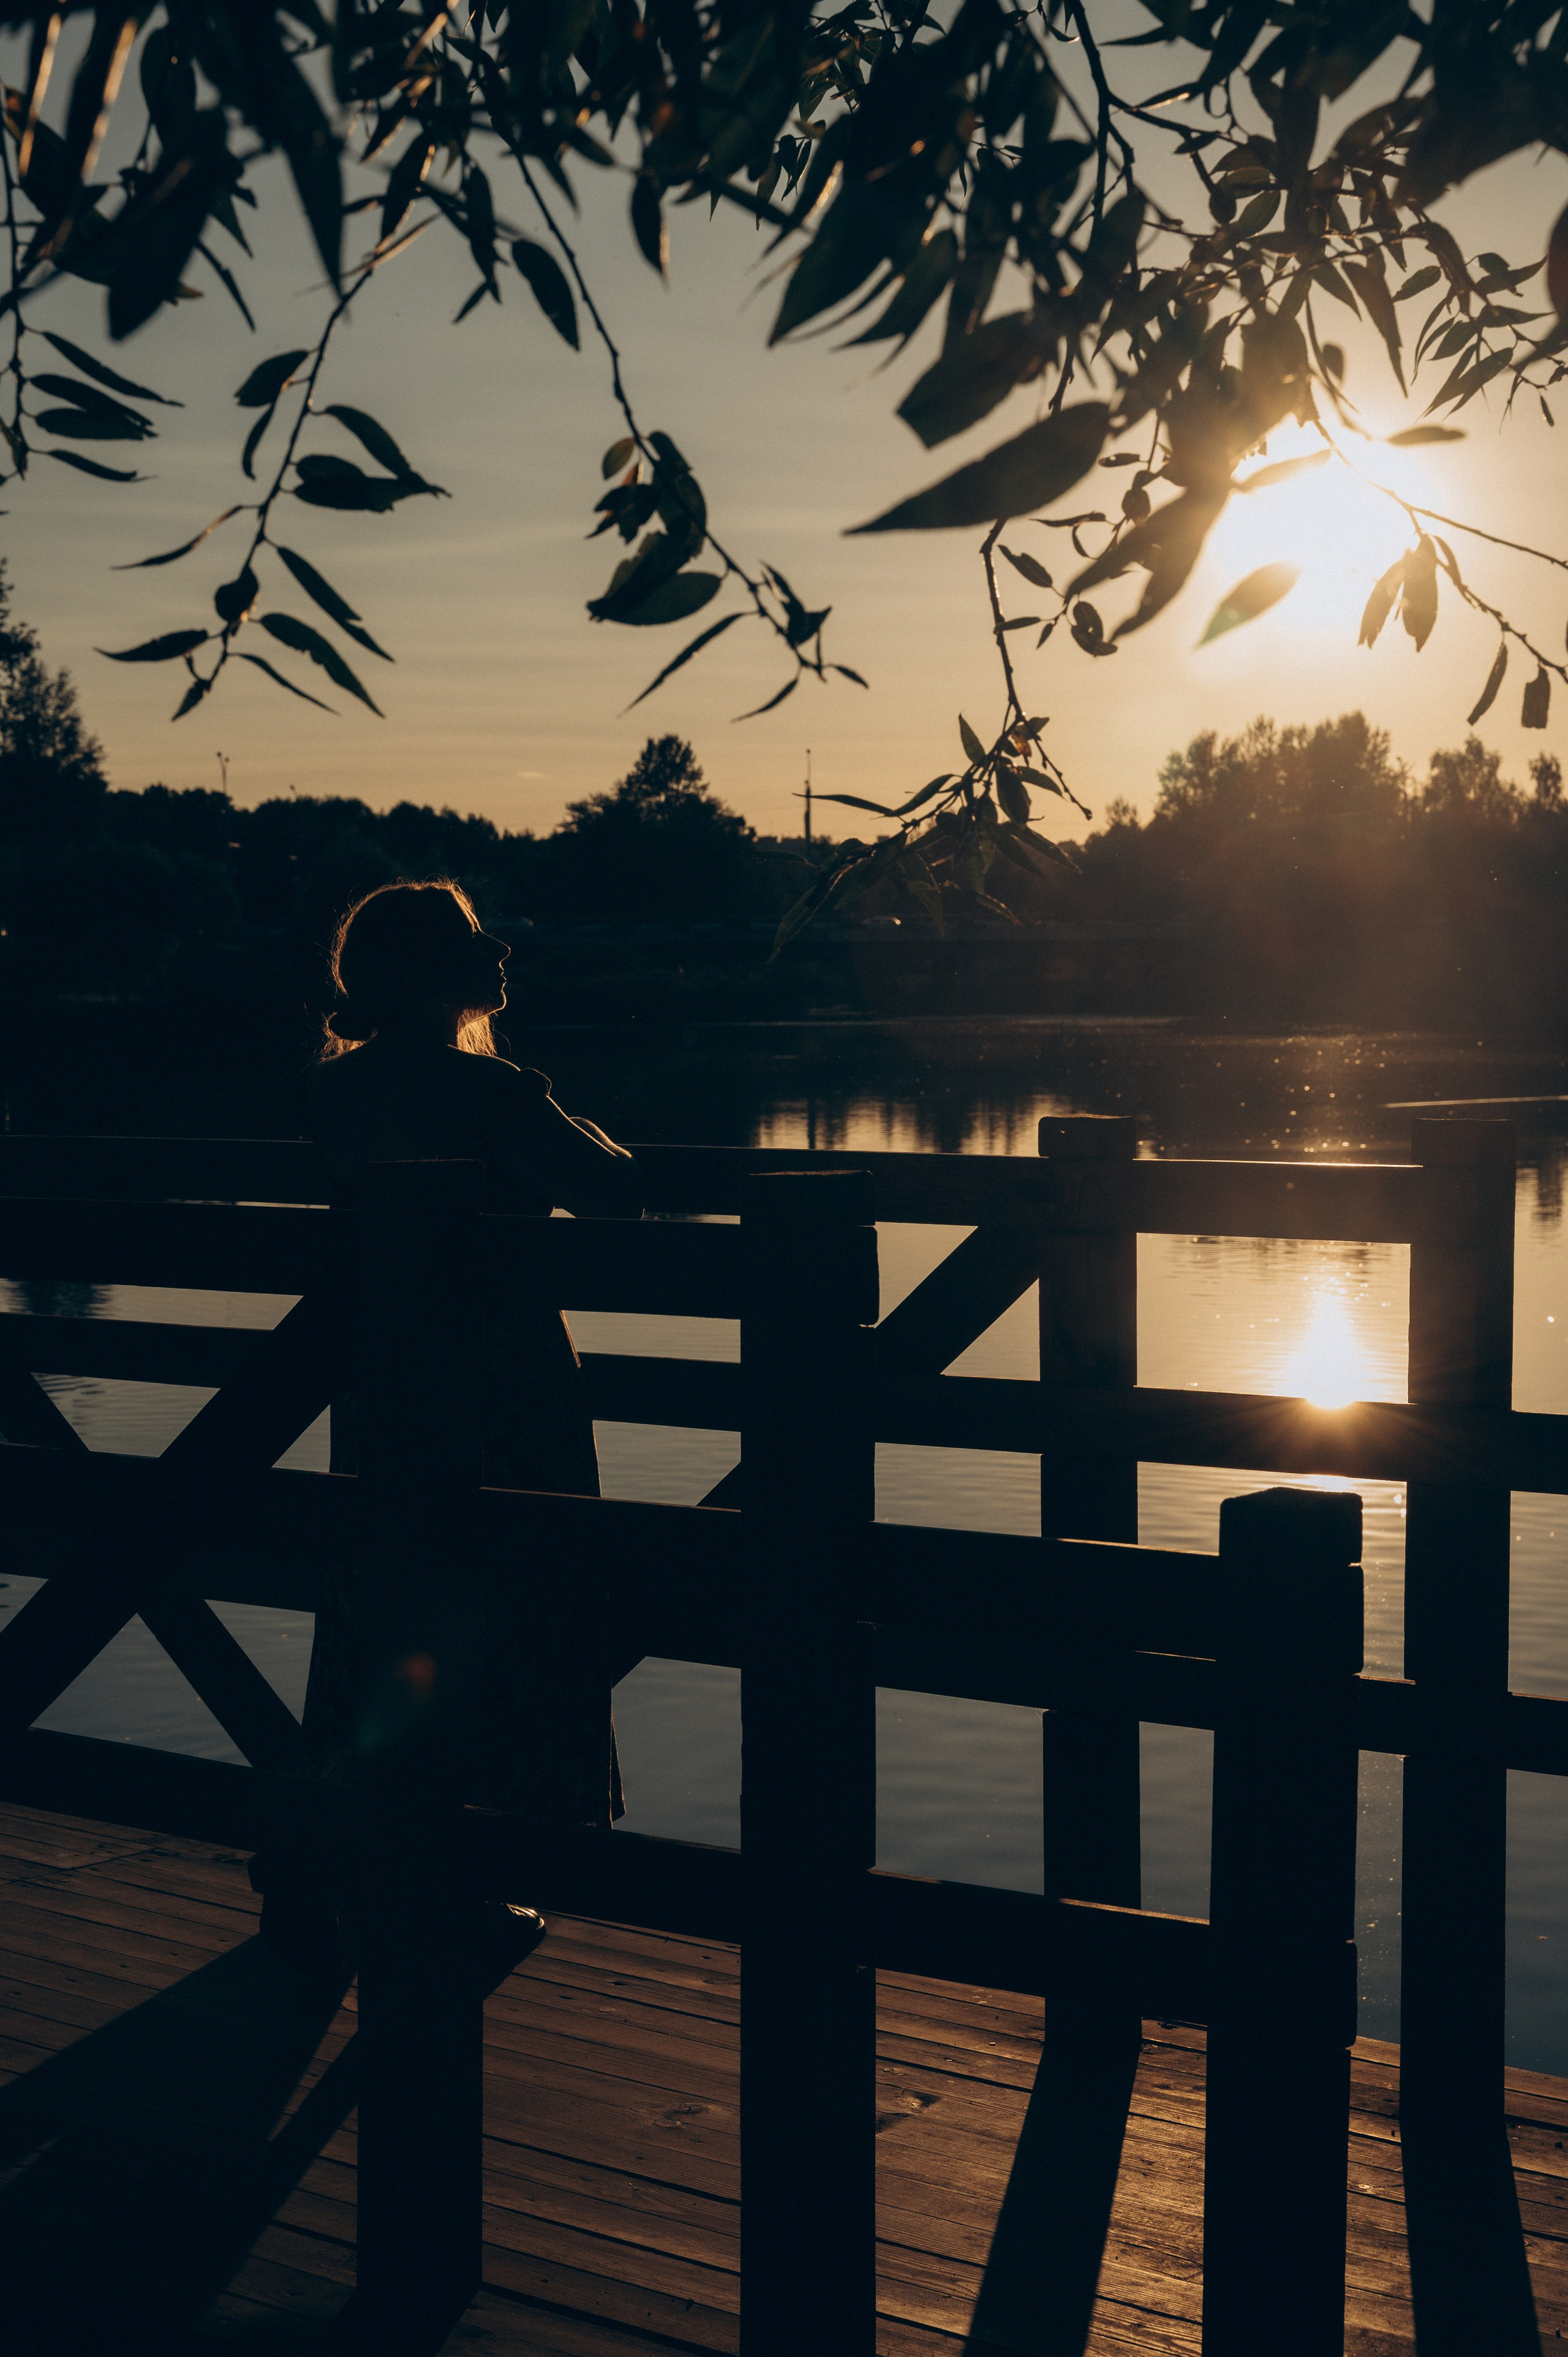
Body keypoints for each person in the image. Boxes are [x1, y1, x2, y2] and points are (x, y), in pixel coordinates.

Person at [262, 878, 643, 1968]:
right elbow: (619, 1195)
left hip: (380, 1392)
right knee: (510, 1606)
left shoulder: (330, 1098)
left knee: (382, 1614)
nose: (506, 952)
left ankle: (321, 1869)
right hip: (504, 1395)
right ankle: (465, 1873)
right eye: (481, 941)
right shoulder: (497, 1097)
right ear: (438, 971)